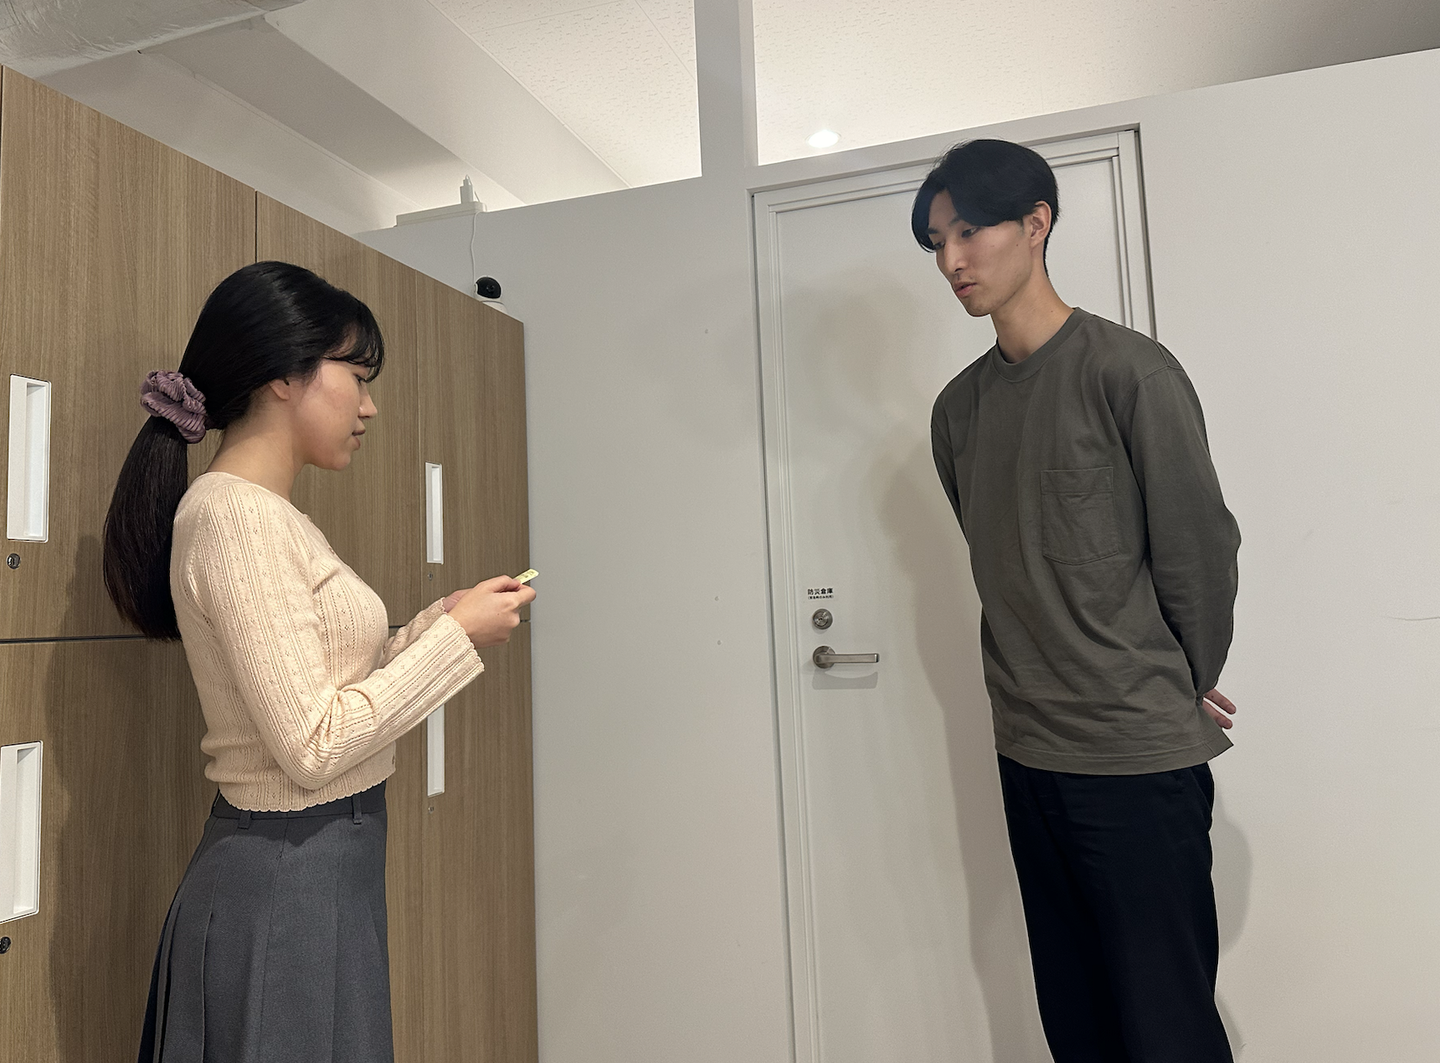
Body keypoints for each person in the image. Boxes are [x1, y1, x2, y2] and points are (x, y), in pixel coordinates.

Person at [102, 260, 535, 1063]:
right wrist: (452, 642)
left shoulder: (266, 516)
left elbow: (330, 693)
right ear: (281, 375)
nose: (369, 405)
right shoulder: (236, 519)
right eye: (357, 376)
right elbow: (313, 745)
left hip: (319, 870)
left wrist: (441, 627)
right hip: (285, 879)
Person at [915, 140, 1241, 1062]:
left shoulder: (1129, 373)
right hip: (1028, 751)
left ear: (1036, 223)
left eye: (968, 231)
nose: (951, 260)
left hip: (1135, 757)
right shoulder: (958, 411)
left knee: (1167, 1024)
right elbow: (1008, 563)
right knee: (1077, 1016)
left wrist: (1178, 678)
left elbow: (1200, 551)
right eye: (937, 242)